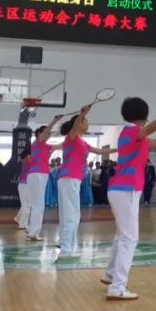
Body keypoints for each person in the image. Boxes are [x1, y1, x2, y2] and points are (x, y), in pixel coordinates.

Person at [101, 97, 156, 300]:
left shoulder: (132, 135)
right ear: (145, 114)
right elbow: (149, 131)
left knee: (121, 235)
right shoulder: (133, 131)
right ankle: (117, 287)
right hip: (127, 189)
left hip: (119, 189)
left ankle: (110, 275)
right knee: (129, 238)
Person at [56, 108, 116, 258]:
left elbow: (101, 151)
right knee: (72, 215)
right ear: (80, 124)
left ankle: (64, 243)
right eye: (86, 122)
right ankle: (66, 250)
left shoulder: (83, 142)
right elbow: (75, 125)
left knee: (67, 214)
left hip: (69, 179)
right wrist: (83, 114)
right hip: (69, 178)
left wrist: (123, 147)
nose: (88, 124)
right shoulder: (72, 137)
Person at [23, 115, 61, 241]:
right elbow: (46, 131)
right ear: (39, 134)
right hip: (37, 175)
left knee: (38, 205)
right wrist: (54, 120)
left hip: (40, 175)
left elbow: (62, 145)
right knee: (38, 205)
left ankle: (33, 232)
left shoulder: (47, 146)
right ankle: (33, 233)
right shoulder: (37, 143)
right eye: (46, 133)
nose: (48, 135)